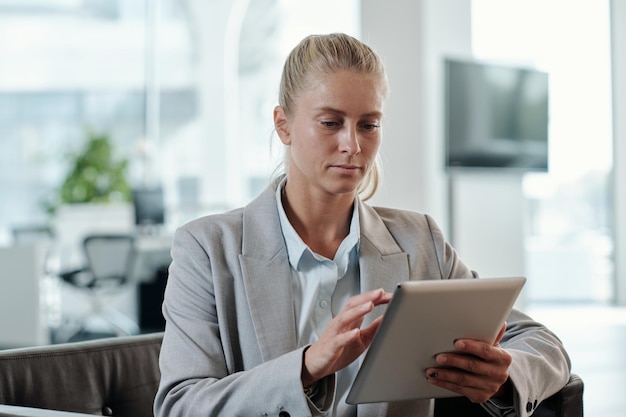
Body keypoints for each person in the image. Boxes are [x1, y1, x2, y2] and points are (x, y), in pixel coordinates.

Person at [154, 33, 570, 417]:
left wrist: (504, 372)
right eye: (330, 123)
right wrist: (306, 366)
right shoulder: (207, 248)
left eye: (368, 125)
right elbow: (179, 405)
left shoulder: (420, 239)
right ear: (283, 124)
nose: (352, 145)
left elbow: (544, 345)